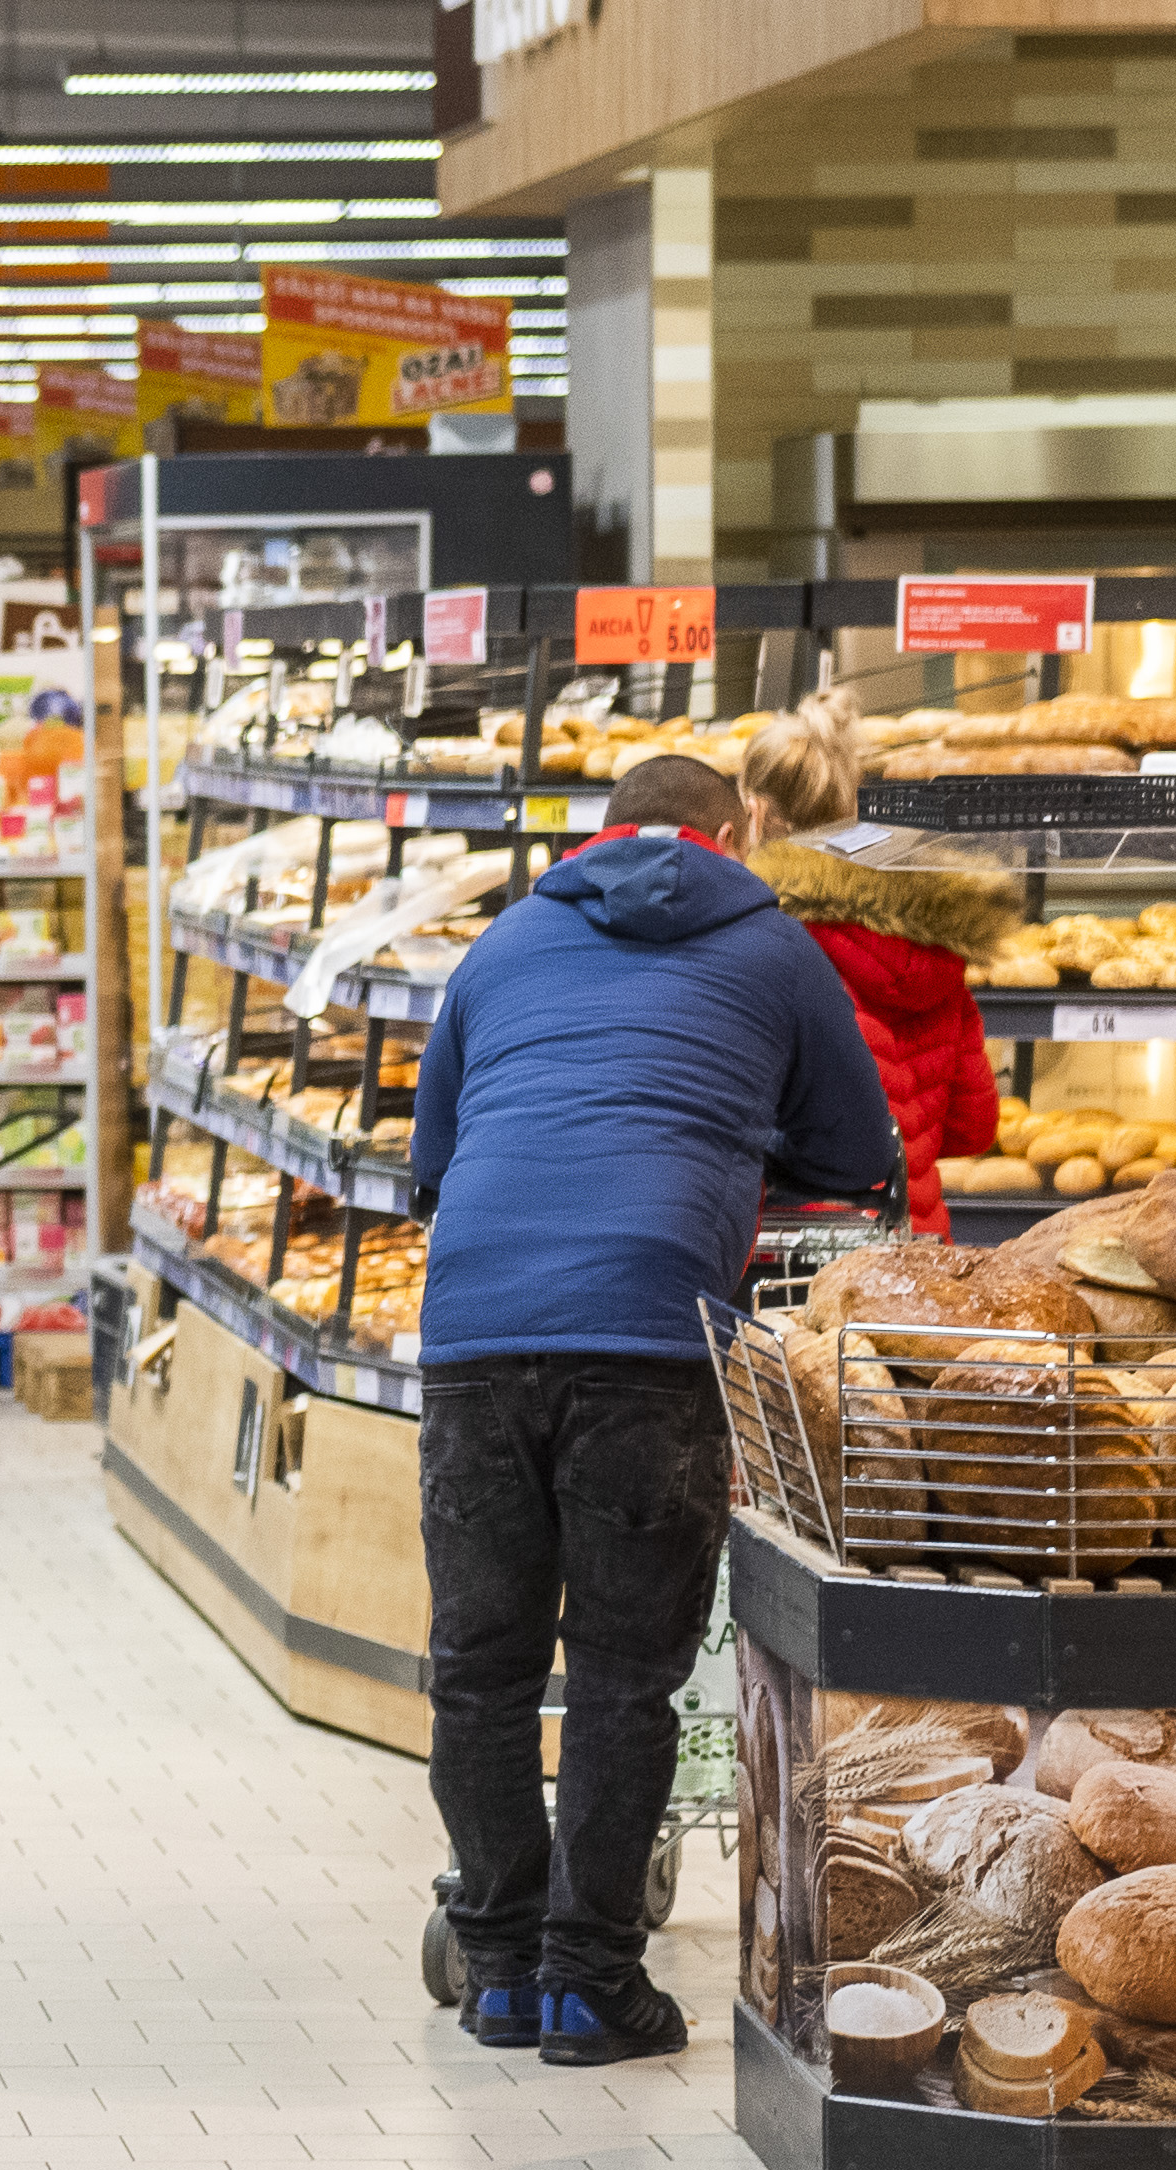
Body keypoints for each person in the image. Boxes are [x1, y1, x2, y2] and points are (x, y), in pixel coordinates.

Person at [405, 748, 902, 2068]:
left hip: (474, 1324)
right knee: (627, 1670)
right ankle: (589, 1983)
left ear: (601, 832)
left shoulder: (504, 941)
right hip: (647, 1325)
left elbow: (432, 1160)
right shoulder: (778, 950)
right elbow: (860, 1161)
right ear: (731, 830)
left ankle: (500, 1966)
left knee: (482, 1664)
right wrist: (732, 1135)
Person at [734, 700, 1012, 1235]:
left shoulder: (767, 943)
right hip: (919, 1244)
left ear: (755, 811)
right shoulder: (937, 940)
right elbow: (974, 1128)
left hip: (805, 1251)